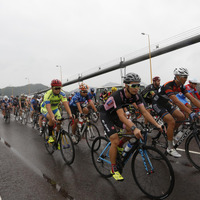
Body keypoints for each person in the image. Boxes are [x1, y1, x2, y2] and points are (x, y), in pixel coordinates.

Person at [100, 73, 162, 181]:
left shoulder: (137, 96)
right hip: (106, 115)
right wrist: (134, 127)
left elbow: (145, 112)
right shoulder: (117, 95)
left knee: (130, 131)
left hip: (116, 115)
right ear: (126, 86)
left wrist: (157, 125)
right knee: (114, 139)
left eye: (138, 85)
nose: (137, 88)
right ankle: (113, 169)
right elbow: (121, 116)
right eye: (134, 86)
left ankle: (120, 145)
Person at [152, 68, 200, 158]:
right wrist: (190, 112)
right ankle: (170, 148)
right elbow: (177, 102)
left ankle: (170, 133)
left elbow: (193, 99)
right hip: (157, 104)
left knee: (182, 117)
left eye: (186, 77)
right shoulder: (168, 86)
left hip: (165, 103)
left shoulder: (181, 86)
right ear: (177, 77)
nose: (185, 79)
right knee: (171, 121)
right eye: (184, 77)